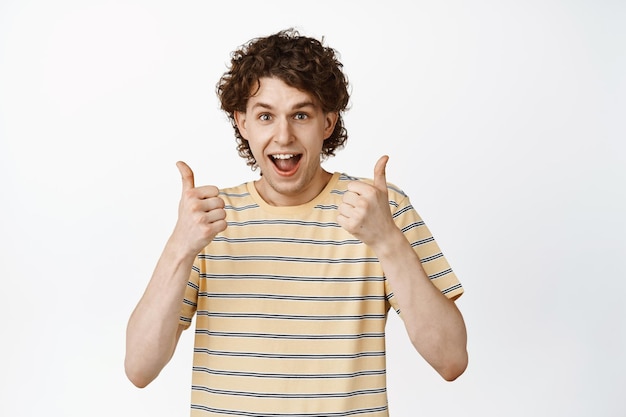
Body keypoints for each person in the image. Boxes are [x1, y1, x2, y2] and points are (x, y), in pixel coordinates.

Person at [125, 28, 468, 416]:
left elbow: (451, 359)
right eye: (266, 116)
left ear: (327, 123)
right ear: (242, 123)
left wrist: (388, 242)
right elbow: (139, 368)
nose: (283, 135)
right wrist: (179, 247)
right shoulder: (208, 220)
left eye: (300, 115)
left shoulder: (377, 211)